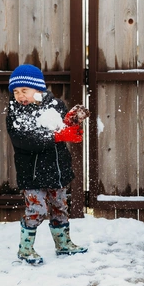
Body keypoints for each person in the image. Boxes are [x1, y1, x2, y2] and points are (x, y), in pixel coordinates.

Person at [6, 64, 89, 265]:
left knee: (60, 207)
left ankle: (64, 244)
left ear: (38, 89)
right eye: (16, 91)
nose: (19, 96)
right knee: (37, 210)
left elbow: (61, 129)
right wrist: (56, 136)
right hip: (32, 173)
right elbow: (25, 140)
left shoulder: (56, 106)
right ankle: (25, 249)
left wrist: (70, 124)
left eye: (24, 90)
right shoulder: (15, 113)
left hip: (56, 170)